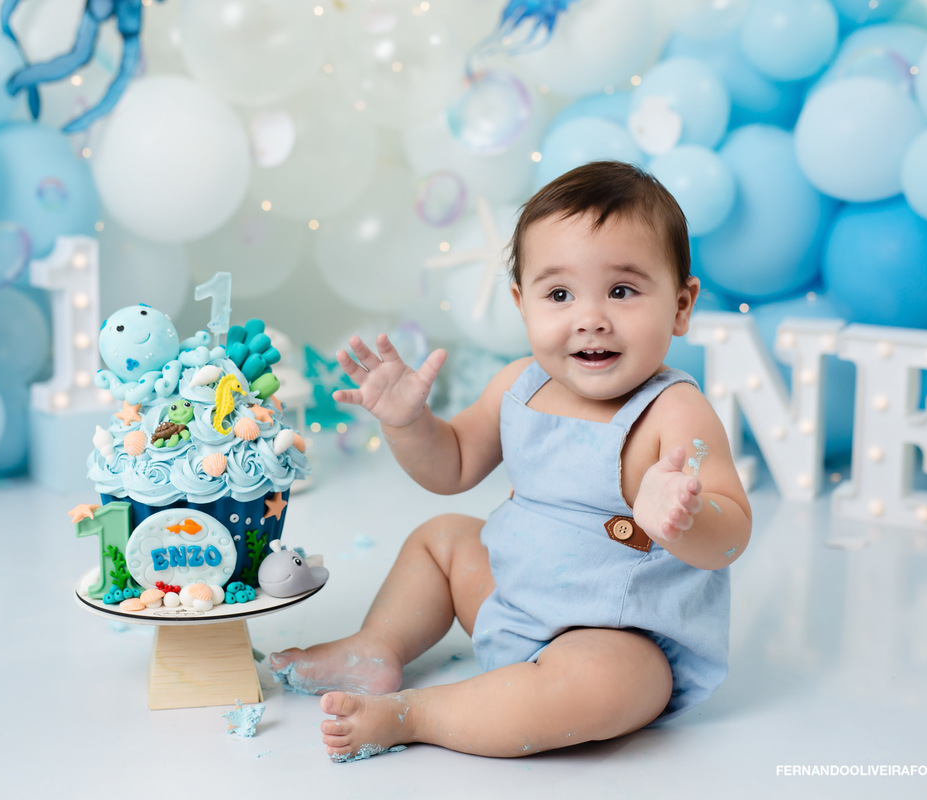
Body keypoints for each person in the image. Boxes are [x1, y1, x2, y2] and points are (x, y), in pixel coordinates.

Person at [269, 161, 752, 761]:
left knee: (603, 683)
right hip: (509, 601)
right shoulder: (518, 386)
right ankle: (375, 647)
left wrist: (685, 518)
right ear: (523, 304)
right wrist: (409, 423)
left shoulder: (675, 412)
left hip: (616, 635)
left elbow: (733, 534)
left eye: (622, 291)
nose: (591, 318)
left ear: (681, 305)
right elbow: (450, 467)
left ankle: (416, 715)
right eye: (559, 295)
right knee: (440, 540)